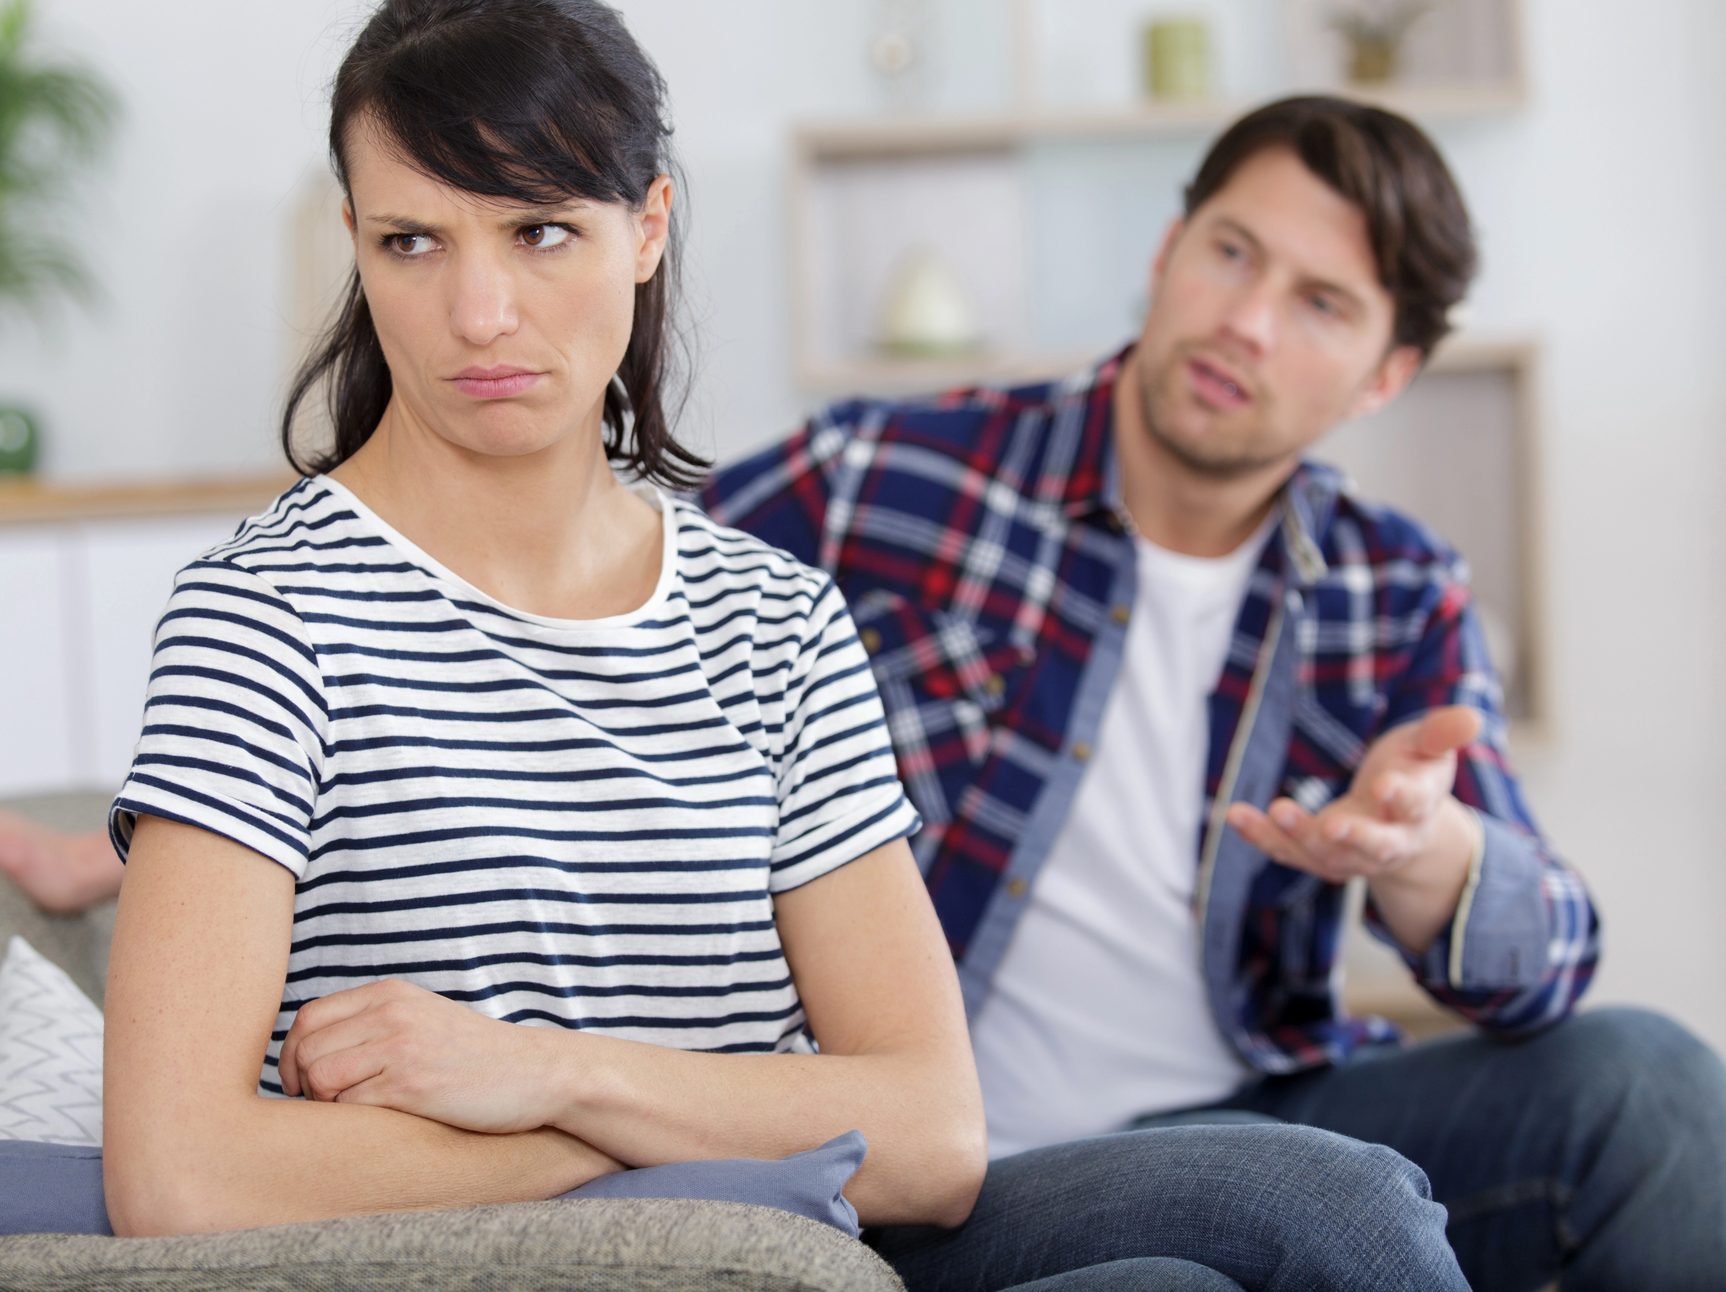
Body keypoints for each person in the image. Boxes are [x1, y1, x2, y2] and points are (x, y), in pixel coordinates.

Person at [703, 95, 1726, 1290]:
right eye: (1230, 253)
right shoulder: (878, 478)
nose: (1244, 321)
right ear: (1167, 250)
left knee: (1652, 1087)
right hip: (950, 1176)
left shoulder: (1393, 588)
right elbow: (608, 582)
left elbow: (1545, 965)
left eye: (1318, 303)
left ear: (1382, 374)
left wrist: (1422, 850)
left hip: (1258, 1107)